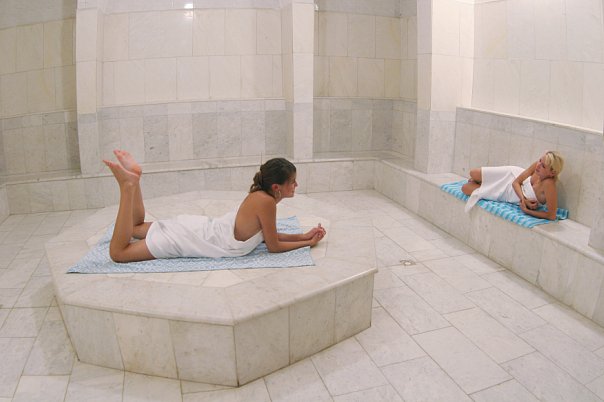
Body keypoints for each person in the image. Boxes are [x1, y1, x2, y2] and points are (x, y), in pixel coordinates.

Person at [103, 150, 326, 263]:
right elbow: (273, 246)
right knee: (118, 253)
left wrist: (302, 235)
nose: (296, 185)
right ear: (277, 187)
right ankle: (127, 187)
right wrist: (308, 243)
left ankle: (135, 179)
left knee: (135, 227)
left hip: (198, 229)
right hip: (191, 239)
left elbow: (268, 236)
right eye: (292, 182)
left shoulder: (261, 195)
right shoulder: (267, 203)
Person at [461, 151, 564, 220]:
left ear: (552, 172)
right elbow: (516, 182)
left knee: (465, 188)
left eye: (543, 166)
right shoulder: (536, 166)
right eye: (540, 160)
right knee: (473, 173)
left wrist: (527, 211)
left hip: (509, 194)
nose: (538, 165)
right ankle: (480, 181)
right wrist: (523, 200)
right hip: (511, 175)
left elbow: (551, 215)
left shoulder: (549, 184)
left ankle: (481, 182)